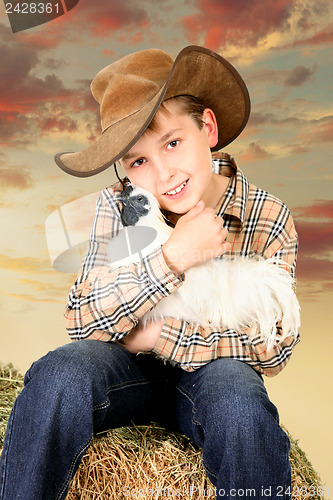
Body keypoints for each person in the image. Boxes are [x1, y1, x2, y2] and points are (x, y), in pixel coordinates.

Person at [0, 46, 300, 499]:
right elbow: (81, 316)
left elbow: (273, 350)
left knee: (240, 404)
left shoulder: (268, 215)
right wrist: (173, 258)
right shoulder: (117, 206)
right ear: (125, 171)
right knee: (62, 373)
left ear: (209, 129)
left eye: (173, 142)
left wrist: (157, 336)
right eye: (138, 161)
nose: (162, 175)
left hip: (214, 378)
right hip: (125, 373)